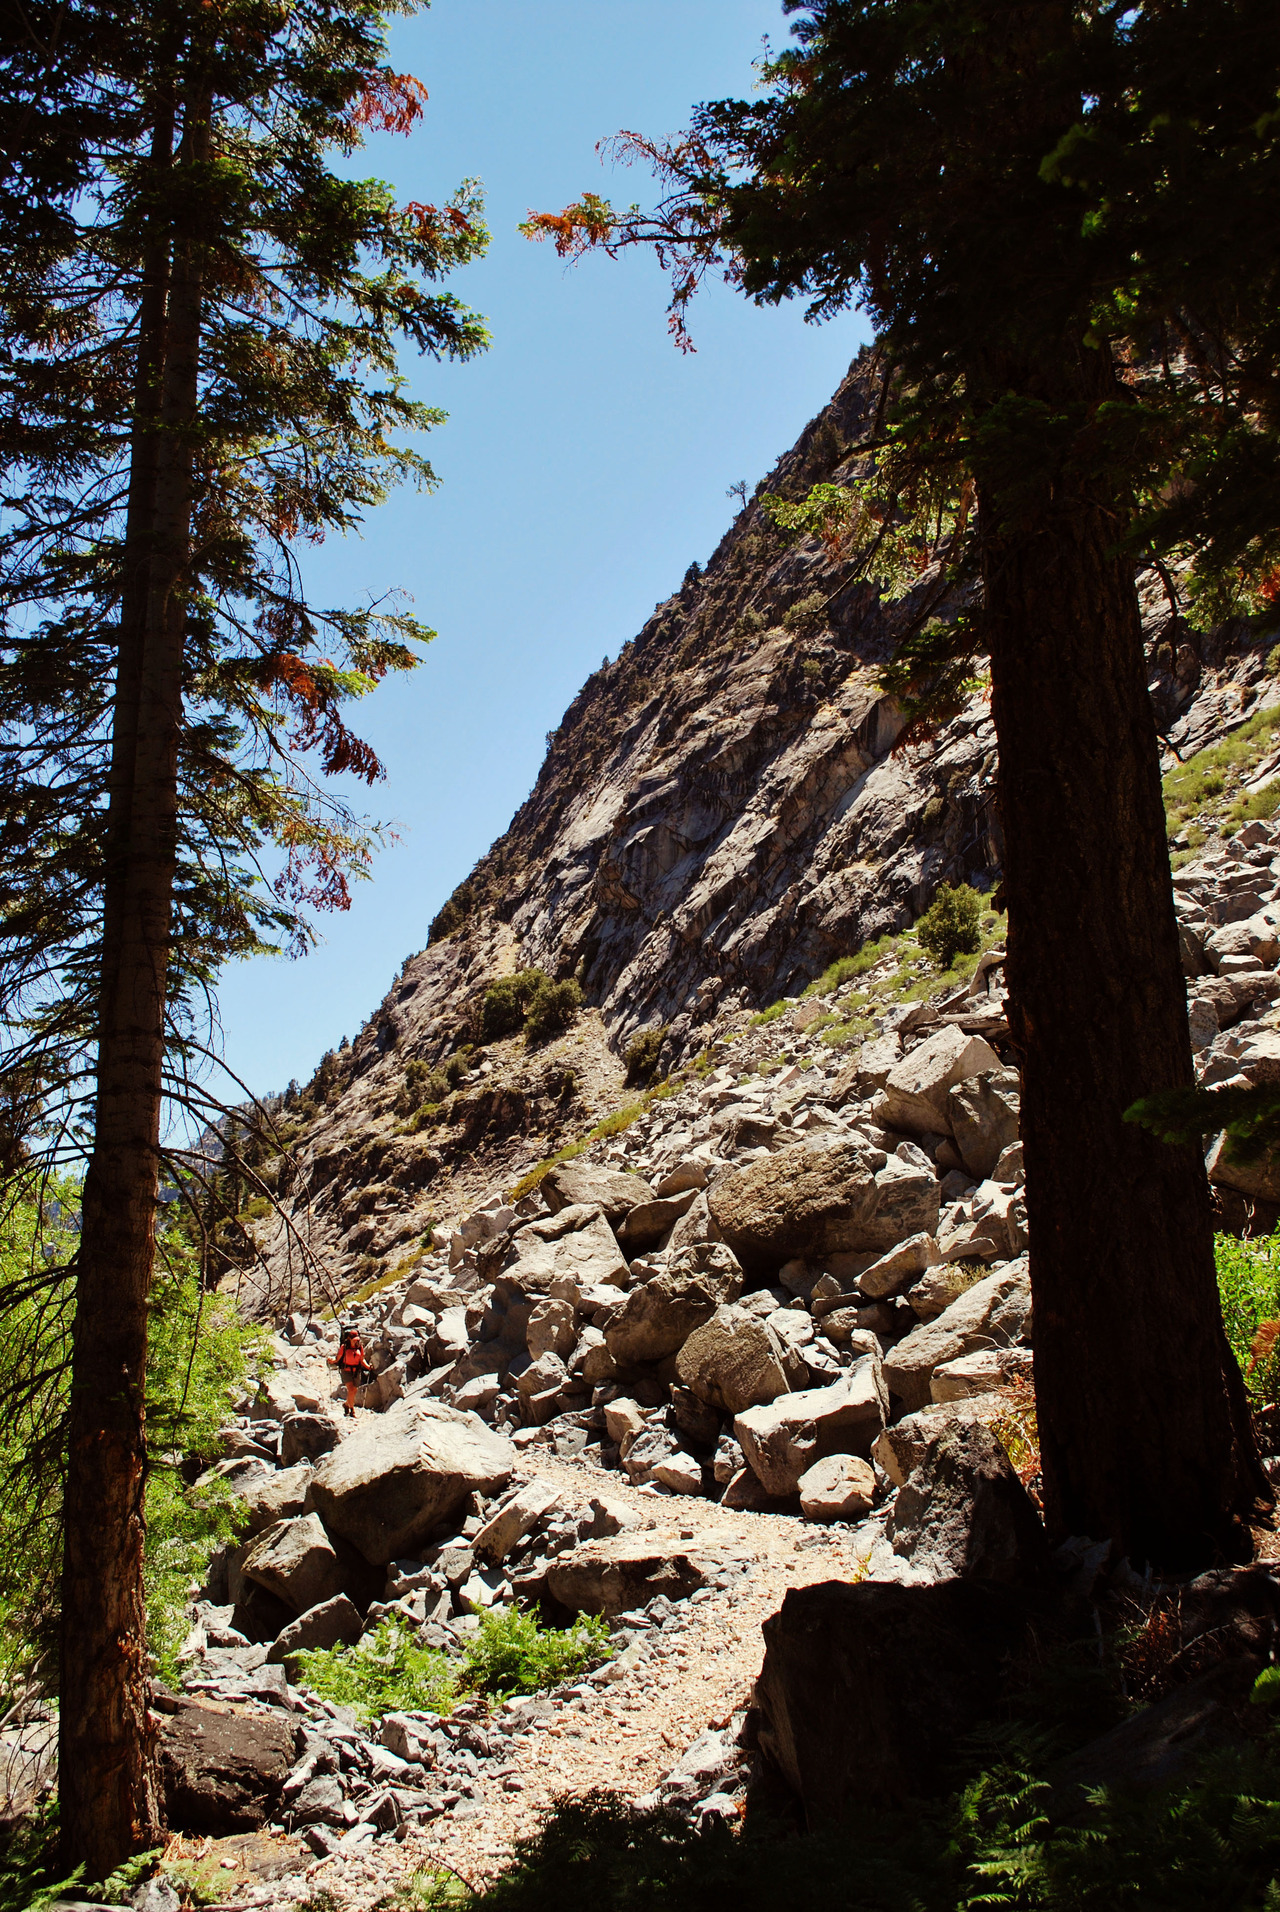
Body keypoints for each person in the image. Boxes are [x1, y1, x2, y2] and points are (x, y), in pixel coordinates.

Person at [332, 1324, 366, 1417]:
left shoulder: (360, 1347)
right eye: (355, 1339)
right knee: (351, 1389)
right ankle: (352, 1410)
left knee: (354, 1391)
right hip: (346, 1370)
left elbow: (362, 1359)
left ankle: (346, 1404)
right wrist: (332, 1361)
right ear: (349, 1339)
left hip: (356, 1371)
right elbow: (338, 1358)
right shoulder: (344, 1347)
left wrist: (368, 1367)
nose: (357, 1341)